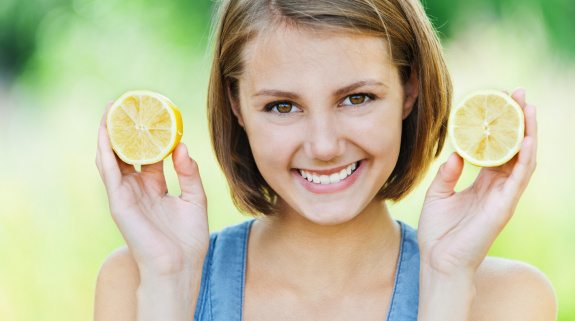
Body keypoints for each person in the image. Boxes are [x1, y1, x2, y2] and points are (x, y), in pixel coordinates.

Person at [94, 0, 557, 320]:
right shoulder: (138, 281)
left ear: (409, 90)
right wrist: (169, 286)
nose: (323, 145)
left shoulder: (508, 299)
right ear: (236, 106)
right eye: (282, 106)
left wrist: (447, 283)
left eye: (356, 98)